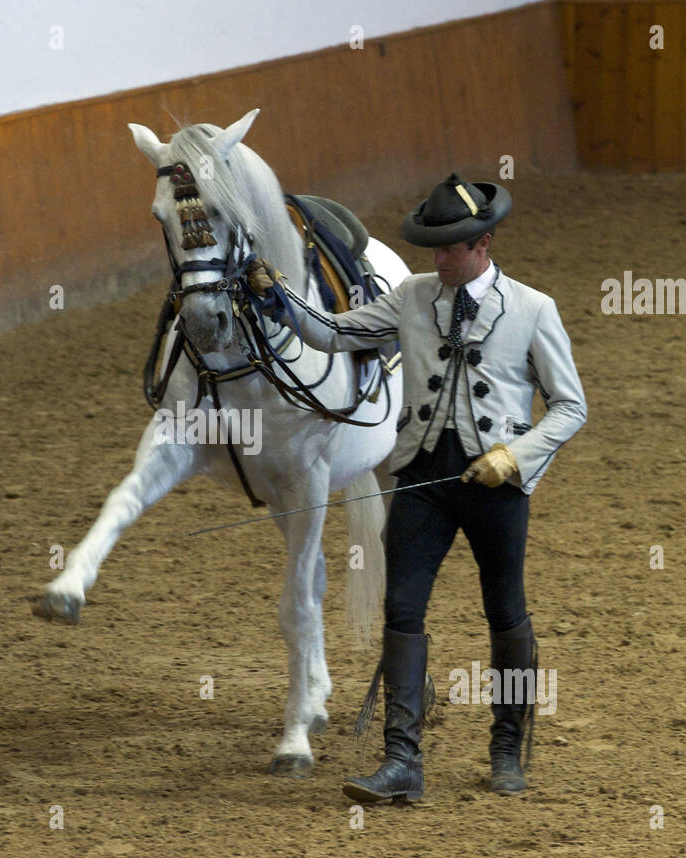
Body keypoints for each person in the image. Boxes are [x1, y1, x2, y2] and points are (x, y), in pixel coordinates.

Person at [247, 172, 587, 801]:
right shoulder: (411, 296)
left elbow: (570, 407)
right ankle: (402, 759)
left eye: (449, 249)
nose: (437, 259)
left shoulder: (534, 309)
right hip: (424, 476)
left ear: (482, 244)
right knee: (402, 609)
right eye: (432, 248)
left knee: (504, 609)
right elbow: (337, 333)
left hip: (495, 483)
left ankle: (507, 745)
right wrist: (280, 299)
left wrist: (514, 456)